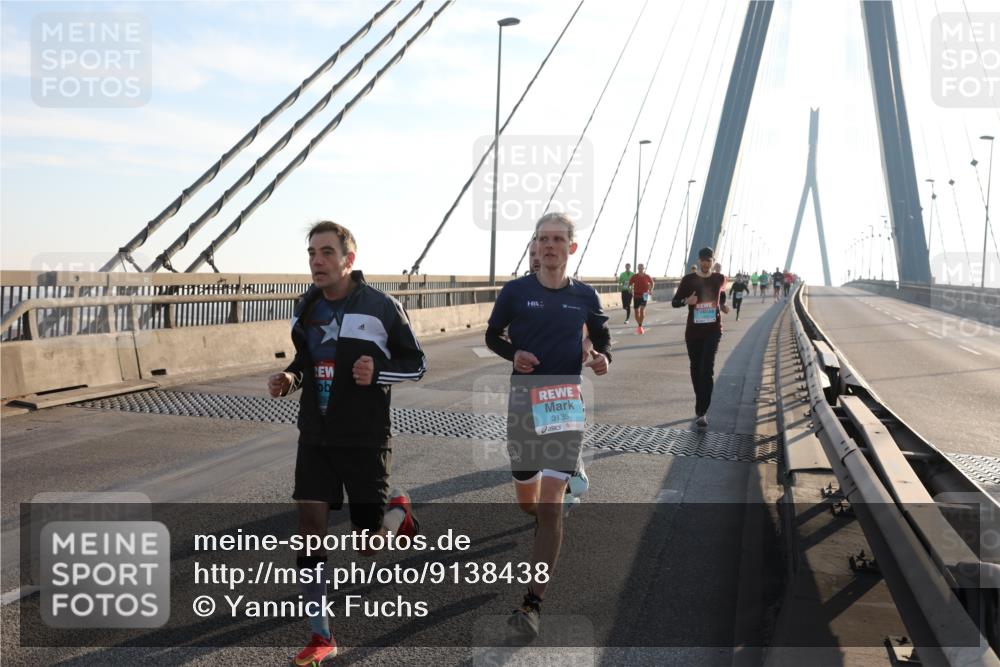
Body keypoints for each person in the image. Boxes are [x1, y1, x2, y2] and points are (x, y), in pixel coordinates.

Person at [267, 221, 427, 665]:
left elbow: (416, 363)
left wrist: (378, 372)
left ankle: (399, 511)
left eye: (326, 253)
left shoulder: (380, 307)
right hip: (315, 436)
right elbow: (305, 358)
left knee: (369, 544)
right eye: (312, 254)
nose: (317, 261)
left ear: (348, 260)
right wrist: (291, 378)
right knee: (309, 524)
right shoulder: (306, 307)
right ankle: (321, 635)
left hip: (364, 438)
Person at [485, 212, 611, 638]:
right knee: (528, 502)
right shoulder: (516, 293)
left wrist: (601, 357)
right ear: (535, 247)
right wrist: (513, 355)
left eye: (558, 238)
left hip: (564, 404)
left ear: (571, 247)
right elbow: (492, 335)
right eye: (542, 239)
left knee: (551, 504)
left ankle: (532, 603)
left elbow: (601, 337)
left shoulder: (586, 297)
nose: (549, 245)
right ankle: (566, 486)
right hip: (523, 401)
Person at [671, 247, 729, 428]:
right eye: (703, 260)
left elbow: (722, 294)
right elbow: (675, 302)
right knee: (696, 370)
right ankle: (700, 404)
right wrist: (685, 302)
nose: (705, 263)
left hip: (713, 330)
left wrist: (723, 305)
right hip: (693, 332)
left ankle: (702, 411)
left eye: (708, 260)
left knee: (707, 369)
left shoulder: (719, 278)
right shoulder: (688, 280)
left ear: (713, 261)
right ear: (698, 261)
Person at [628, 263, 655, 335]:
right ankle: (639, 325)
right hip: (636, 295)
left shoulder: (647, 276)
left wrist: (650, 290)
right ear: (638, 268)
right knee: (636, 312)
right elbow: (629, 284)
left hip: (645, 295)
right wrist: (630, 289)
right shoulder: (634, 276)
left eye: (641, 267)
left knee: (642, 310)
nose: (640, 269)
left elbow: (652, 283)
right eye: (639, 267)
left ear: (644, 268)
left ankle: (640, 326)